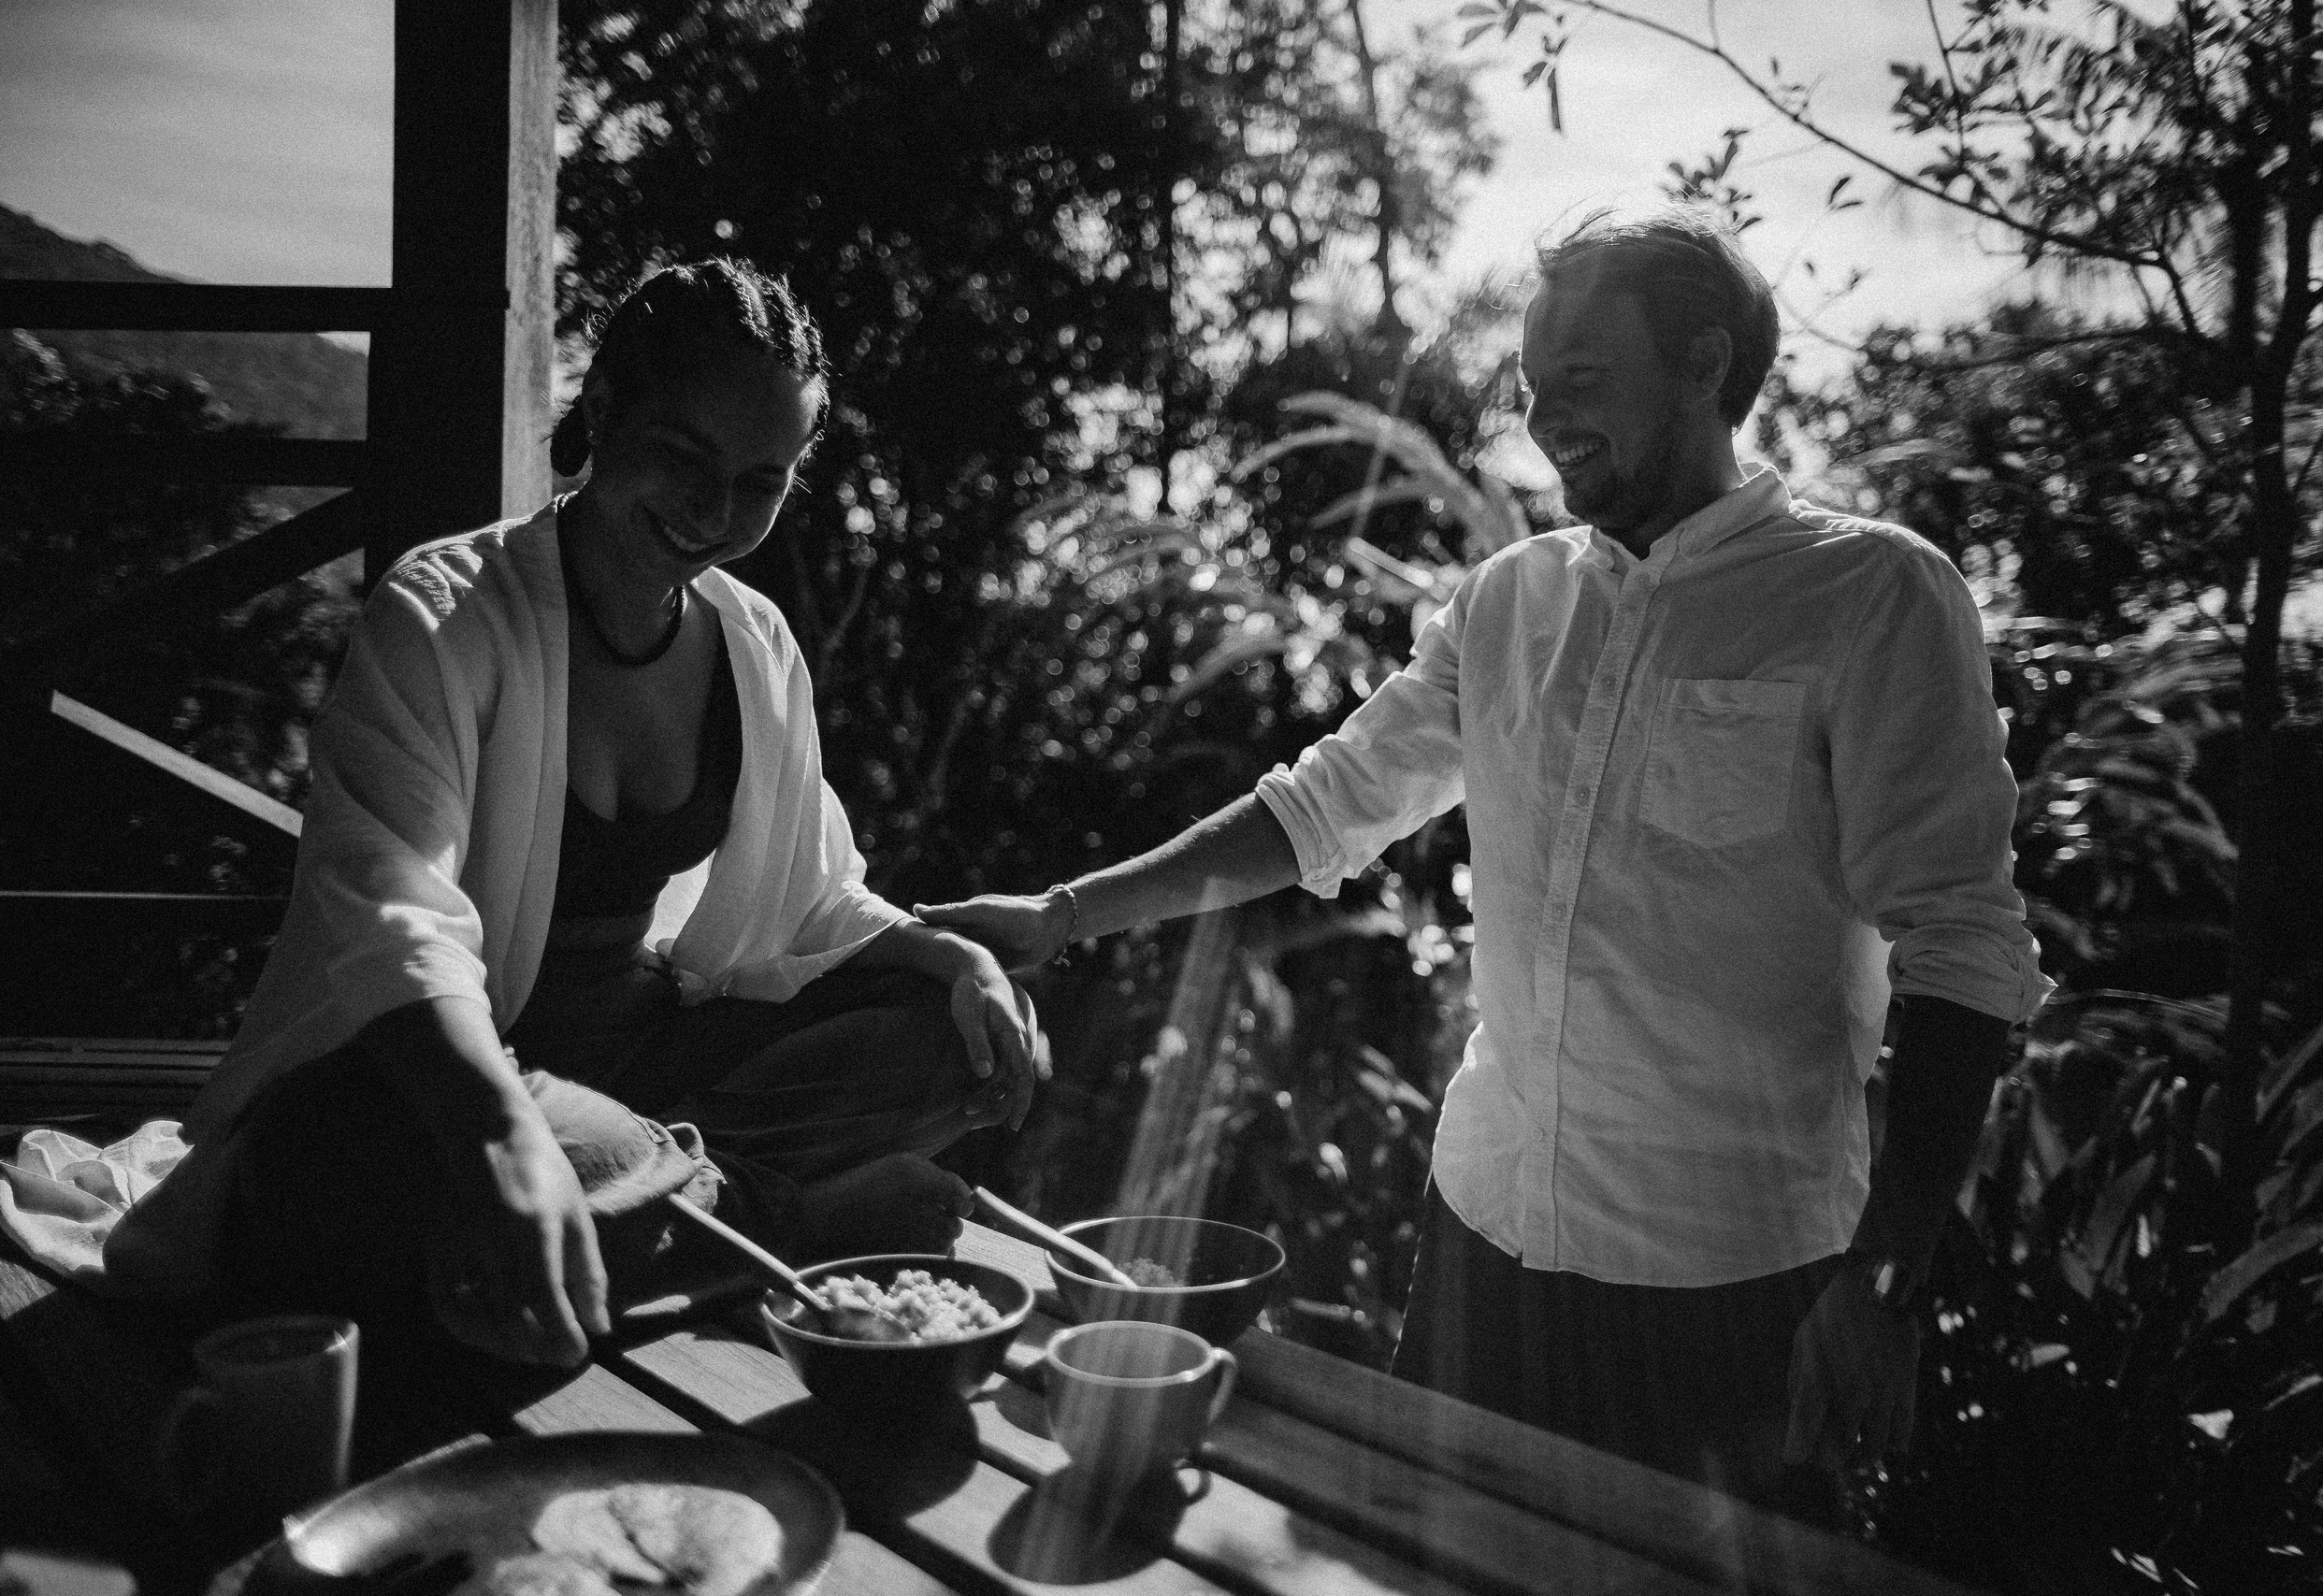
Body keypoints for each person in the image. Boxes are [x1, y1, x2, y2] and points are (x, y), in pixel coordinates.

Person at [920, 206, 2050, 1507]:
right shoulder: (1511, 597)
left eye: (1582, 379)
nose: (1543, 417)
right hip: (1483, 1252)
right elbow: (1321, 806)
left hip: (1731, 1291)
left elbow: (1962, 950)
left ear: (1704, 363)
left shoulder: (1874, 597)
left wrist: (1888, 1277)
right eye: (1531, 385)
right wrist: (1061, 911)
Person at [103, 261, 1045, 1370]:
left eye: (758, 481)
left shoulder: (755, 645)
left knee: (956, 1033)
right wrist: (503, 1129)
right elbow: (391, 907)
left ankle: (650, 1202)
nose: (710, 512)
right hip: (447, 1085)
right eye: (683, 456)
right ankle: (786, 1222)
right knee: (342, 1161)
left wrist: (948, 957)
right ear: (602, 410)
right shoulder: (446, 610)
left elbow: (813, 894)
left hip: (650, 1066)